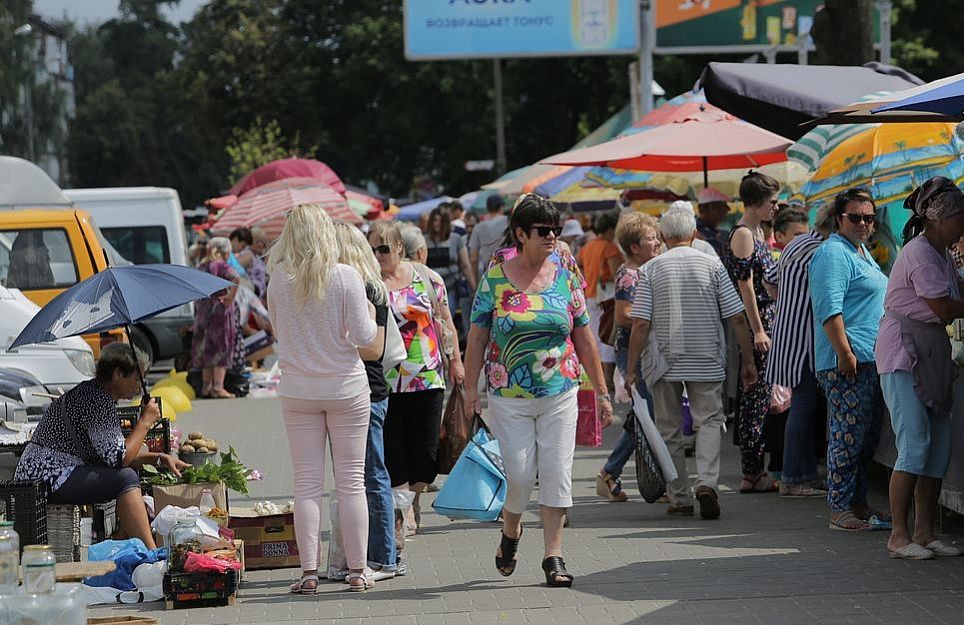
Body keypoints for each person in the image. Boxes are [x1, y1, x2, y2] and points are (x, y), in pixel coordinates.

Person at [463, 194, 613, 588]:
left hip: (560, 390)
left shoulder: (565, 271)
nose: (551, 237)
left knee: (557, 472)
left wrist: (601, 391)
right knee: (519, 475)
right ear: (520, 234)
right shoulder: (496, 276)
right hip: (507, 395)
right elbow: (477, 338)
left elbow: (584, 334)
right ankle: (511, 531)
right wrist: (469, 392)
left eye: (555, 230)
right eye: (542, 231)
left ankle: (554, 555)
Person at [267, 204, 379, 593]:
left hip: (298, 390)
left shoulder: (278, 279)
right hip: (346, 387)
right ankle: (359, 570)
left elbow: (280, 332)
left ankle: (309, 573)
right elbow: (365, 337)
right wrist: (367, 309)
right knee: (351, 482)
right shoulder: (346, 276)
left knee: (306, 484)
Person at [625, 207, 757, 520]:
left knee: (669, 429)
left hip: (663, 361)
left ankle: (680, 497)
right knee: (709, 421)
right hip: (706, 357)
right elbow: (736, 316)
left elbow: (640, 323)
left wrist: (631, 367)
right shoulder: (712, 264)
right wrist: (748, 359)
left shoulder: (652, 269)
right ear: (694, 233)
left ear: (664, 237)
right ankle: (708, 482)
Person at [14, 343, 187, 550]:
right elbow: (120, 459)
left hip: (53, 473)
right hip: (45, 476)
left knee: (126, 475)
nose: (140, 384)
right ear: (117, 374)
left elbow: (114, 455)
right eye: (136, 377)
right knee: (126, 478)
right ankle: (152, 553)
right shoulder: (96, 400)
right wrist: (145, 422)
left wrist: (159, 458)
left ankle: (132, 547)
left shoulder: (96, 394)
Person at [877, 177, 964, 559]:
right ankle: (898, 536)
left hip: (931, 352)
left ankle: (925, 532)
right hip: (903, 356)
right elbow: (943, 308)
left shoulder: (942, 252)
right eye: (960, 218)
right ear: (939, 220)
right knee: (914, 445)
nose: (963, 225)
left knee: (938, 448)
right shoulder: (918, 252)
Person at [368, 220, 465, 535]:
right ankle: (402, 511)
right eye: (372, 249)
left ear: (399, 247)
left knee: (425, 454)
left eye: (383, 248)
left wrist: (456, 361)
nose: (377, 254)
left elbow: (446, 321)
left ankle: (412, 501)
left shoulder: (427, 277)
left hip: (427, 376)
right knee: (394, 450)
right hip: (387, 379)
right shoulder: (369, 283)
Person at [809, 187, 888, 531]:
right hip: (848, 359)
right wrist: (844, 352)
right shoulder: (833, 253)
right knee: (847, 435)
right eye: (854, 217)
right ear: (839, 219)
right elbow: (829, 307)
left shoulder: (861, 252)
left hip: (870, 356)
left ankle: (856, 503)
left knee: (865, 437)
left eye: (868, 218)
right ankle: (839, 508)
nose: (862, 223)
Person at [333, 221, 399, 578]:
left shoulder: (369, 289)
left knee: (372, 475)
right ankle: (367, 554)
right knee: (357, 478)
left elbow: (374, 349)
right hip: (354, 391)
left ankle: (384, 557)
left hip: (369, 392)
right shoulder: (347, 288)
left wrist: (334, 342)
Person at [763, 206, 835, 499]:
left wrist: (787, 299)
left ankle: (804, 473)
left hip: (787, 333)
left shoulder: (798, 243)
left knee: (802, 406)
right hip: (805, 338)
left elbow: (769, 277)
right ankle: (793, 478)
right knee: (803, 407)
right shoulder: (821, 249)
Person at [596, 212, 660, 503]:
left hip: (643, 350)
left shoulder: (644, 270)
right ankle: (613, 472)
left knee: (645, 415)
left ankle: (614, 473)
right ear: (635, 247)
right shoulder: (629, 274)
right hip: (630, 351)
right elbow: (623, 316)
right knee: (647, 415)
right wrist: (653, 316)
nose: (657, 242)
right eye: (650, 238)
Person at [724, 172, 780, 494]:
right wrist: (759, 330)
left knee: (758, 396)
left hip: (763, 315)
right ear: (757, 202)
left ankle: (754, 469)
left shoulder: (758, 233)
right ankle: (752, 471)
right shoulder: (744, 234)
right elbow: (745, 286)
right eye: (772, 201)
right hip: (753, 321)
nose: (776, 206)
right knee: (755, 397)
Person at [576, 212, 623, 394]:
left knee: (595, 337)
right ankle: (607, 381)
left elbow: (578, 263)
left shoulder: (587, 247)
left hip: (590, 295)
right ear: (611, 229)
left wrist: (589, 277)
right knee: (608, 338)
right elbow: (616, 273)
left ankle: (597, 381)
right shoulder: (610, 247)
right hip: (607, 297)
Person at [191, 237, 241, 399]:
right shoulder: (222, 264)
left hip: (203, 312)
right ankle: (218, 387)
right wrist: (230, 298)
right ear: (224, 252)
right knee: (221, 348)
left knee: (207, 349)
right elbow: (235, 277)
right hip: (220, 312)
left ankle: (207, 387)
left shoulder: (202, 265)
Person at [424, 206, 476, 333]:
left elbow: (465, 265)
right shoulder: (424, 240)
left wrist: (474, 287)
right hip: (428, 288)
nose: (438, 223)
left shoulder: (455, 239)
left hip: (449, 287)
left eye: (441, 220)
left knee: (447, 320)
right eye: (435, 220)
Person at [468, 194, 508, 282]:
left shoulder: (478, 227)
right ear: (501, 207)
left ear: (488, 208)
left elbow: (473, 259)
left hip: (488, 275)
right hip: (509, 272)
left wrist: (475, 283)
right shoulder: (508, 222)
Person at [229, 227, 267, 297]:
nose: (261, 244)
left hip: (253, 295)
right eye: (257, 241)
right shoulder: (248, 254)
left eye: (262, 241)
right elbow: (233, 271)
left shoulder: (256, 256)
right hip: (249, 294)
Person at [696, 187, 731, 256]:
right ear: (712, 208)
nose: (728, 209)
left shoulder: (695, 230)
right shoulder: (707, 236)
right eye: (724, 205)